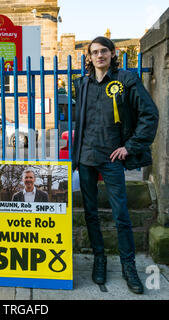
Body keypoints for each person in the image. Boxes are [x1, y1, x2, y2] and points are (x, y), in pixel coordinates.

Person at [72, 36, 158, 294]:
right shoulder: (83, 83)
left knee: (121, 215)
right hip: (86, 158)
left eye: (103, 51)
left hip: (112, 159)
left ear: (112, 53)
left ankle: (128, 266)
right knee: (90, 214)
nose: (99, 56)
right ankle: (100, 260)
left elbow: (149, 114)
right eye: (94, 52)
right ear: (89, 57)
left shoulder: (126, 81)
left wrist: (129, 147)